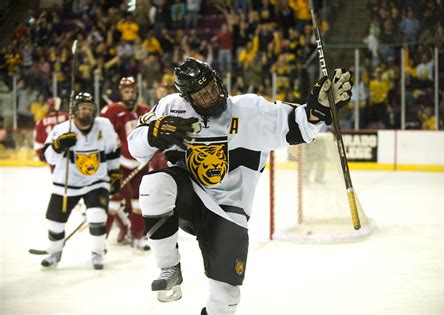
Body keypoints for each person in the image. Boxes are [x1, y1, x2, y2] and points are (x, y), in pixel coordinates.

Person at [127, 58, 352, 314]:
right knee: (154, 184)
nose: (210, 96)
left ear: (218, 80)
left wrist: (319, 108)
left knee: (226, 298)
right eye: (201, 95)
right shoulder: (171, 107)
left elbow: (298, 124)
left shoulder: (249, 109)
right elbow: (135, 147)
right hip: (189, 194)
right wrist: (152, 133)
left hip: (229, 211)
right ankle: (169, 266)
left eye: (211, 87)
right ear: (187, 98)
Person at [40, 92, 121, 270]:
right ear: (75, 111)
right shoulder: (62, 129)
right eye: (82, 108)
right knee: (55, 222)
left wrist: (114, 173)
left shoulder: (104, 125)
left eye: (90, 108)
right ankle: (54, 252)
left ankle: (97, 253)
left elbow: (114, 150)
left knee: (97, 217)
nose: (86, 111)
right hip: (66, 183)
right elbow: (48, 158)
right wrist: (57, 146)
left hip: (96, 181)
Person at [100, 77, 151, 250]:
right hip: (118, 164)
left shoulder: (145, 110)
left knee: (139, 202)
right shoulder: (111, 111)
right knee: (113, 201)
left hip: (140, 164)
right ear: (121, 93)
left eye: (132, 91)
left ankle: (137, 236)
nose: (130, 94)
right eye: (126, 91)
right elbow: (102, 136)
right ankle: (101, 241)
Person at [33, 97, 69, 163]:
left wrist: (41, 154)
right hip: (65, 152)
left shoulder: (41, 121)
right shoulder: (66, 117)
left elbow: (38, 141)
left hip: (49, 153)